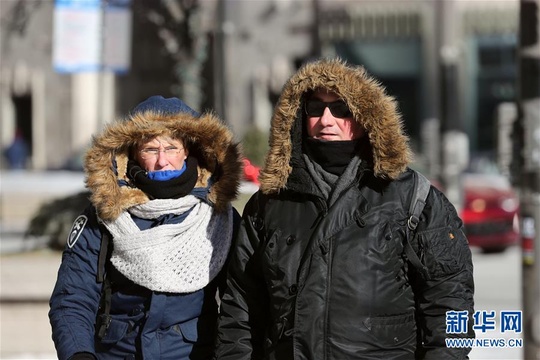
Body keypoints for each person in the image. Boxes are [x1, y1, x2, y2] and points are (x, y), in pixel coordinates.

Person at [215, 58, 475, 359]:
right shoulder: (269, 203)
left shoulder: (412, 197)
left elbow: (449, 299)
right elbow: (241, 308)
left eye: (341, 109)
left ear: (366, 118)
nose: (327, 120)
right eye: (315, 109)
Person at [49, 95, 243, 360]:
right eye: (151, 149)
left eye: (171, 148)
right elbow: (72, 298)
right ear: (134, 154)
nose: (162, 160)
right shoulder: (104, 217)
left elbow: (242, 305)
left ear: (187, 150)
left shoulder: (221, 219)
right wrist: (79, 354)